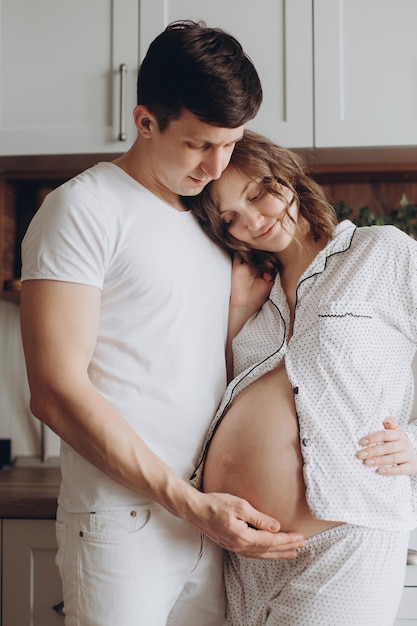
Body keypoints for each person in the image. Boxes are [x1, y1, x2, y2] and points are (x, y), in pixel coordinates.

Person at [19, 24, 306, 626]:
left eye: (230, 144)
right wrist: (190, 503)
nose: (216, 164)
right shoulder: (82, 208)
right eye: (199, 144)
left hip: (213, 516)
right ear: (144, 121)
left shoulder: (211, 221)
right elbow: (54, 391)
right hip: (124, 519)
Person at [185, 129, 417, 626]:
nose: (251, 221)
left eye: (255, 194)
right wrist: (240, 312)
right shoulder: (255, 296)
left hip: (346, 538)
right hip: (245, 554)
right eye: (230, 219)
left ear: (285, 175)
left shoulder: (380, 252)